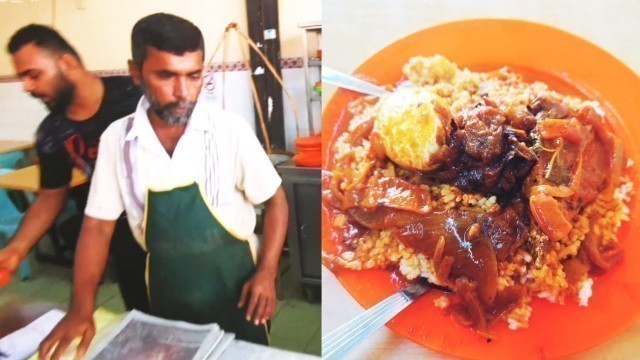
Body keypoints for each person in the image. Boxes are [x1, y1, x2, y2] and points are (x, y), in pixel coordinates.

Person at [39, 13, 289, 359]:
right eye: (166, 75)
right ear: (136, 72)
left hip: (239, 290)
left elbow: (275, 201)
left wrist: (267, 272)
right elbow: (97, 226)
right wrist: (81, 309)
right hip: (164, 291)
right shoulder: (118, 140)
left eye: (194, 75)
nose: (183, 92)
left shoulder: (230, 131)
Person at [0, 25, 149, 312]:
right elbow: (51, 195)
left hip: (173, 231)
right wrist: (16, 248)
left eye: (34, 74)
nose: (27, 87)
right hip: (120, 239)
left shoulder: (135, 97)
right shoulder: (53, 132)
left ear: (67, 63)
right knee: (146, 322)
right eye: (22, 78)